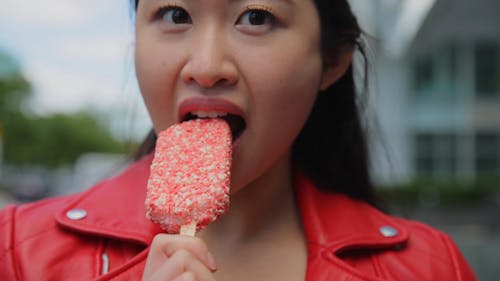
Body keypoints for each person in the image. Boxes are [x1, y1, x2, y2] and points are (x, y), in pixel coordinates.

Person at [0, 0, 477, 280]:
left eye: (256, 17)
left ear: (331, 60)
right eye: (174, 13)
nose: (206, 67)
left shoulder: (429, 266)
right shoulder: (17, 252)